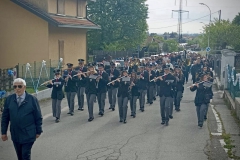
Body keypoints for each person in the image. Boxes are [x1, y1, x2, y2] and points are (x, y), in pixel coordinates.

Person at [1, 78, 42, 160]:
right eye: (15, 87)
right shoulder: (9, 99)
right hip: (15, 133)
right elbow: (5, 117)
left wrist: (38, 131)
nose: (17, 89)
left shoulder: (32, 99)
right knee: (19, 156)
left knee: (25, 155)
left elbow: (38, 116)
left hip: (28, 133)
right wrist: (3, 132)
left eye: (19, 86)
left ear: (24, 87)